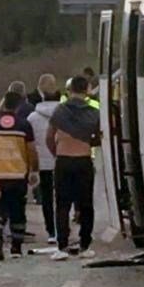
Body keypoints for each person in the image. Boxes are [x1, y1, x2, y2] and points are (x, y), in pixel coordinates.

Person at [47, 75, 101, 261]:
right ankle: (85, 245)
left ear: (70, 90)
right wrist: (88, 142)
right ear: (87, 90)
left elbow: (49, 137)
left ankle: (62, 246)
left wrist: (57, 152)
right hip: (83, 160)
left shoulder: (60, 111)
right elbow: (99, 137)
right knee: (86, 205)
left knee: (62, 204)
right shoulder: (93, 112)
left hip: (63, 160)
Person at [0, 91, 37, 261]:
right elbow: (31, 150)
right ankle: (16, 247)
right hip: (17, 174)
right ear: (19, 106)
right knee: (17, 211)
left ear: (3, 103)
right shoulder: (24, 125)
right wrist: (34, 170)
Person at [27, 75, 62, 245]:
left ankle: (51, 232)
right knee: (63, 197)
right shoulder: (65, 114)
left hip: (42, 163)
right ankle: (63, 229)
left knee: (46, 198)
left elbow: (30, 142)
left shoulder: (32, 117)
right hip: (62, 160)